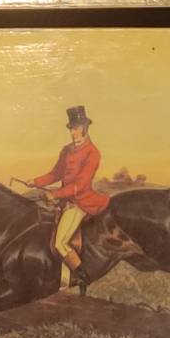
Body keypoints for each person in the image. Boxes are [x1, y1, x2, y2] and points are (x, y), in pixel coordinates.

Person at [26, 105, 110, 288]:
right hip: (64, 200)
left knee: (60, 243)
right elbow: (55, 174)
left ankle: (83, 277)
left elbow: (80, 185)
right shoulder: (66, 150)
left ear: (85, 128)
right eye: (71, 128)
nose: (73, 132)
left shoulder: (93, 152)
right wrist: (36, 181)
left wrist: (54, 193)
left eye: (76, 128)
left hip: (80, 202)